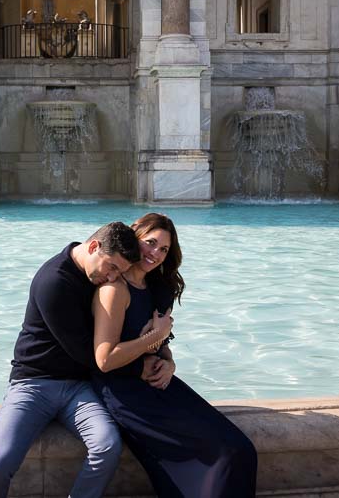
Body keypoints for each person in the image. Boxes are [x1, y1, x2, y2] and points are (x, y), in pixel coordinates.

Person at [92, 213, 258, 497]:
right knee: (224, 453)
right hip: (126, 393)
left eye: (164, 249)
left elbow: (160, 345)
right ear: (135, 237)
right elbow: (104, 360)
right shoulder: (114, 290)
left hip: (157, 383)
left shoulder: (156, 287)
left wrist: (169, 362)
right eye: (151, 243)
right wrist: (152, 338)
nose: (155, 253)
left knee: (239, 448)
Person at [0, 221, 145, 498]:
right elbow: (85, 353)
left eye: (121, 272)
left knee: (107, 446)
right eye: (112, 267)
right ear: (93, 247)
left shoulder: (98, 276)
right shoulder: (53, 280)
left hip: (78, 388)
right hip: (33, 384)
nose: (113, 277)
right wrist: (141, 363)